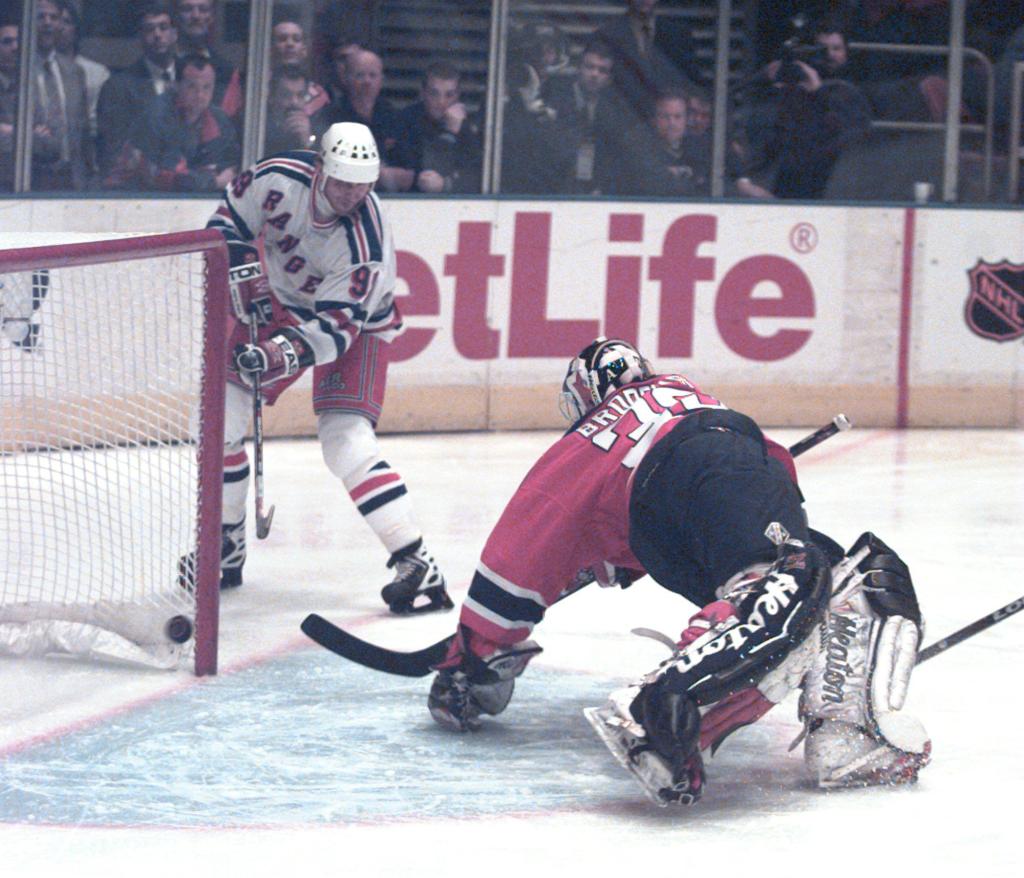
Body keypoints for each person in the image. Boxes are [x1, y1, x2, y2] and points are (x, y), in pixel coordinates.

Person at [426, 337, 930, 805]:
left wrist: (474, 657)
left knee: (820, 581)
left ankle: (697, 713)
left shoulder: (589, 436)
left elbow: (522, 547)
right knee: (823, 577)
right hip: (737, 473)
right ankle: (682, 709)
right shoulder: (688, 393)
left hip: (663, 524)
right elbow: (766, 469)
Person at [204, 121, 453, 615]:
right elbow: (224, 221)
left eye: (362, 184)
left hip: (356, 328)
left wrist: (279, 353)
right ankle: (224, 546)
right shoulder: (276, 178)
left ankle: (416, 560)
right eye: (342, 182)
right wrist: (240, 265)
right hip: (279, 304)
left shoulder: (365, 243)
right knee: (217, 424)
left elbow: (336, 329)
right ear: (320, 170)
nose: (351, 194)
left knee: (345, 440)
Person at [105, 54, 238, 192]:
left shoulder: (220, 120)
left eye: (207, 87)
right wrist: (216, 181)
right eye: (192, 87)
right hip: (126, 197)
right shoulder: (156, 117)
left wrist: (209, 177)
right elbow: (170, 179)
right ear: (176, 85)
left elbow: (231, 168)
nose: (200, 95)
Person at [541, 41, 635, 195]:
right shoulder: (554, 95)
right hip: (552, 187)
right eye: (589, 67)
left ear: (609, 78)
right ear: (579, 68)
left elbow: (616, 156)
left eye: (602, 70)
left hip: (595, 191)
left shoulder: (614, 110)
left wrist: (601, 187)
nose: (594, 74)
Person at [96, 1, 179, 177]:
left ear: (175, 34)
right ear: (140, 37)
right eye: (149, 29)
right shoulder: (117, 87)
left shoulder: (191, 80)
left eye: (163, 27)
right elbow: (114, 149)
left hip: (188, 189)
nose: (157, 35)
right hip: (137, 188)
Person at [322, 49, 415, 192]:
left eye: (373, 75)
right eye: (360, 75)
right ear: (346, 78)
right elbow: (332, 171)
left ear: (381, 80)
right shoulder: (331, 117)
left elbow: (407, 175)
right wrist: (380, 176)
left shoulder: (394, 116)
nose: (367, 81)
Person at [595, 0, 704, 120]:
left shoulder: (679, 35)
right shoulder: (607, 35)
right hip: (622, 121)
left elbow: (693, 85)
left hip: (670, 124)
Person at [397, 61, 482, 194]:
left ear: (457, 95)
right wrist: (450, 133)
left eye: (449, 95)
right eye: (434, 94)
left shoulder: (464, 125)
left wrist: (446, 184)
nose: (441, 102)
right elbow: (427, 180)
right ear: (423, 93)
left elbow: (477, 178)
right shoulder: (405, 121)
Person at [31, 0, 90, 190]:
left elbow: (83, 132)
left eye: (54, 17)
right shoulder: (18, 68)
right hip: (29, 176)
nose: (47, 22)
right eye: (41, 16)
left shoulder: (75, 71)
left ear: (61, 24)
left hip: (71, 179)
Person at [55, 0, 109, 160]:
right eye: (58, 21)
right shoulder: (32, 70)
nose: (61, 27)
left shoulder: (97, 73)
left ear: (76, 29)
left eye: (67, 22)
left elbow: (99, 123)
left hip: (84, 154)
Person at [174, 0, 242, 119]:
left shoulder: (227, 72)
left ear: (212, 17)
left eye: (203, 9)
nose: (195, 16)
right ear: (175, 16)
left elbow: (228, 124)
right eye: (187, 9)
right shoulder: (160, 65)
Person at [270, 17, 330, 118]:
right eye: (282, 39)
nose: (290, 44)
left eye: (296, 39)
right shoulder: (251, 87)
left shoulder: (319, 96)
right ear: (270, 49)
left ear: (304, 50)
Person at [263, 65, 321, 154]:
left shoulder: (317, 126)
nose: (294, 102)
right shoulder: (258, 126)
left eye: (300, 95)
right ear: (272, 97)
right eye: (286, 95)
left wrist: (307, 142)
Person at [0, 19, 18, 191]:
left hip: (21, 178)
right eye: (7, 41)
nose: (15, 47)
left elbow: (46, 136)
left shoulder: (32, 85)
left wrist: (9, 130)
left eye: (18, 41)